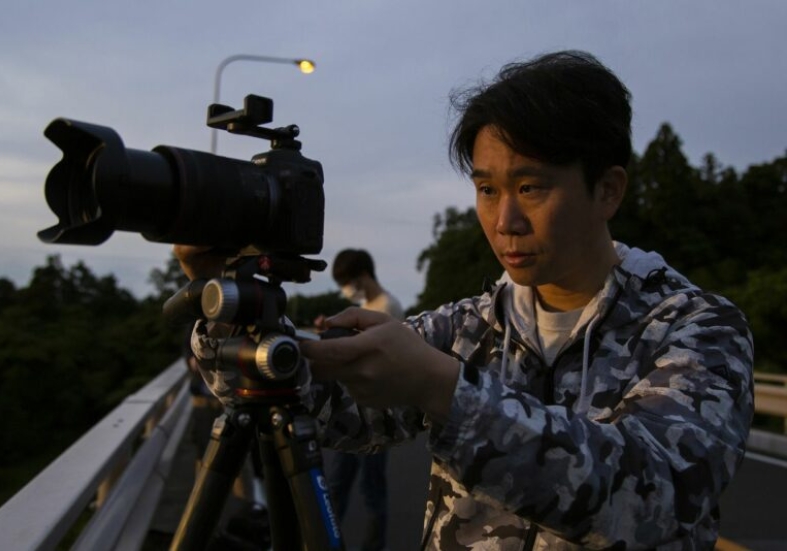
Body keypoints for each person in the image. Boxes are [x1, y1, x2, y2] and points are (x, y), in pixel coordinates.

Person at [175, 50, 754, 549]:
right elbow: (324, 413)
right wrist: (230, 304)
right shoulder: (468, 328)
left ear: (607, 189)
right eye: (486, 189)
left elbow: (653, 499)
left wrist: (443, 389)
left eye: (530, 187)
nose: (505, 221)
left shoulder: (698, 329)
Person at [319, 248, 404, 551]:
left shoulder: (388, 308)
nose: (346, 289)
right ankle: (324, 541)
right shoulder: (368, 305)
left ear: (363, 276)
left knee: (371, 491)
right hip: (353, 410)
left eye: (347, 281)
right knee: (337, 487)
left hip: (376, 414)